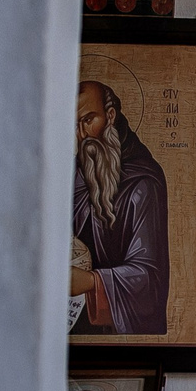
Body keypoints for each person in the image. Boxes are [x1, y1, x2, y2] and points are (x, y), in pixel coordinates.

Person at [70, 79, 171, 335]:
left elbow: (149, 278)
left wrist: (91, 282)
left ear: (110, 115)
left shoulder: (142, 183)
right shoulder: (69, 174)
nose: (83, 135)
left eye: (89, 119)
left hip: (108, 326)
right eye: (74, 125)